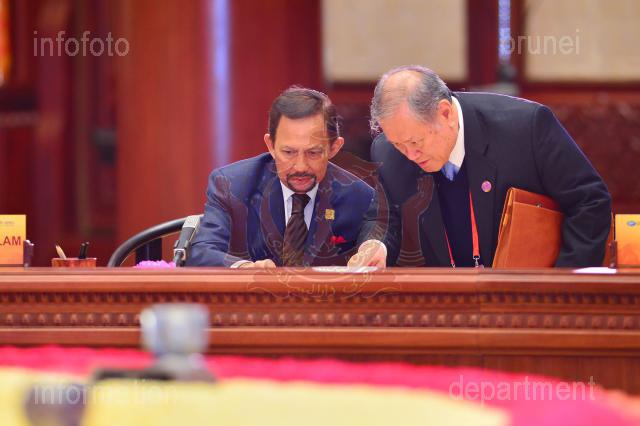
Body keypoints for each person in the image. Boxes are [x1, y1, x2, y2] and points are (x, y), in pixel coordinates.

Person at [370, 65, 611, 268]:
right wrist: (375, 246)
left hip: (530, 293)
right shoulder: (389, 154)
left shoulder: (525, 128)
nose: (410, 155)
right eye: (399, 144)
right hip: (447, 300)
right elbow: (384, 218)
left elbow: (589, 201)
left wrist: (558, 285)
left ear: (445, 113)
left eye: (416, 142)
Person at [187, 87, 387, 268]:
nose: (300, 166)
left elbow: (379, 241)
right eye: (289, 152)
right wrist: (244, 269)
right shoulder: (232, 185)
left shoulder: (359, 197)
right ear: (271, 146)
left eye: (313, 153)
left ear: (334, 148)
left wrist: (373, 249)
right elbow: (202, 252)